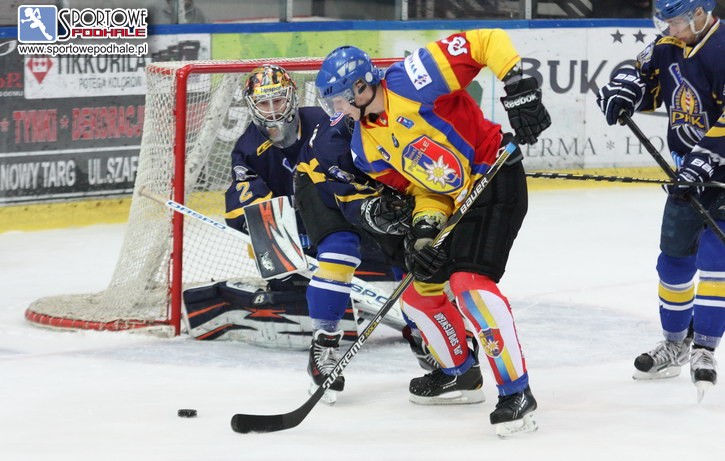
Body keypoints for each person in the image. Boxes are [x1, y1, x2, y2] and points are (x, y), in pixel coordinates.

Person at [315, 29, 551, 436]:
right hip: (457, 204)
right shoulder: (364, 149)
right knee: (417, 290)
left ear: (361, 88)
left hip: (494, 177)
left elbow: (486, 40)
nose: (337, 110)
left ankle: (516, 392)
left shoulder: (412, 79)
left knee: (469, 285)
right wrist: (424, 231)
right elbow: (426, 189)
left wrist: (516, 84)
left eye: (339, 100)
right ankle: (459, 373)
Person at [222, 64, 425, 404]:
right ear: (252, 106)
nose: (273, 111)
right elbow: (245, 208)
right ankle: (324, 341)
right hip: (307, 226)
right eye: (264, 103)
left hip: (350, 204)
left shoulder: (322, 119)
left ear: (292, 97)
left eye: (278, 100)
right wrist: (276, 237)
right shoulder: (247, 148)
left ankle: (425, 332)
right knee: (336, 246)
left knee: (409, 252)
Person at [596, 0, 724, 398]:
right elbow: (639, 69)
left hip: (721, 179)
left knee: (715, 263)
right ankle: (675, 344)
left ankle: (705, 348)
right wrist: (625, 91)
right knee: (672, 263)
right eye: (665, 22)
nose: (670, 29)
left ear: (700, 13)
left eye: (676, 21)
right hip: (686, 177)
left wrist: (704, 162)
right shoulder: (670, 43)